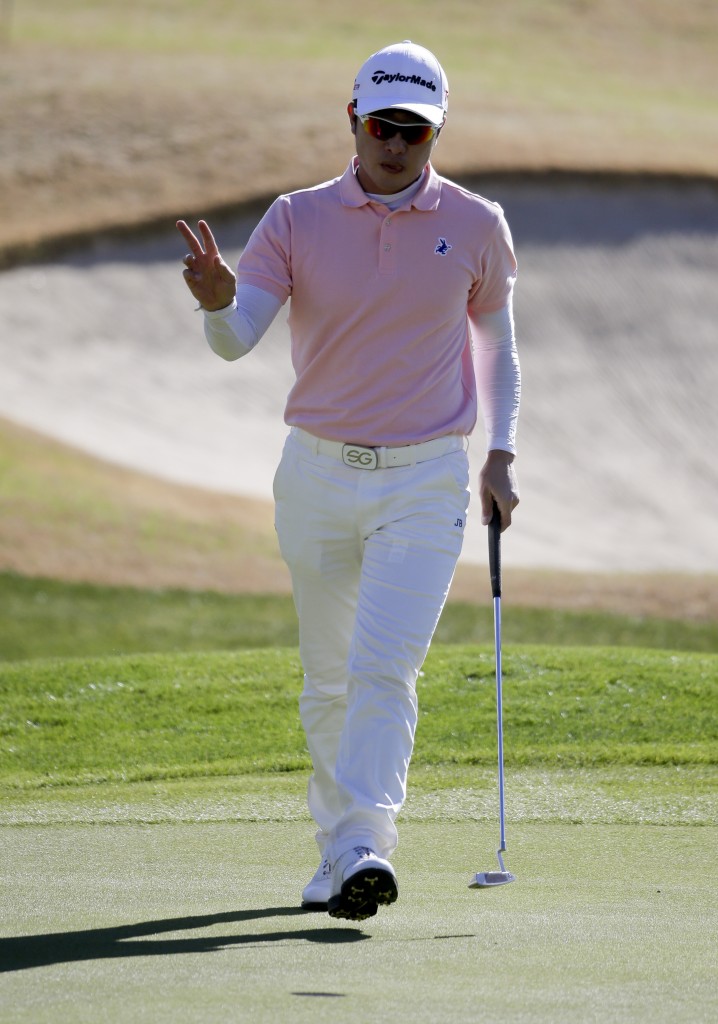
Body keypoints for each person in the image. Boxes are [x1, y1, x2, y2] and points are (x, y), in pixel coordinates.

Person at [177, 40, 520, 922]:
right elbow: (237, 338)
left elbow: (496, 344)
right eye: (382, 125)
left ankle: (368, 842)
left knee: (383, 668)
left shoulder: (477, 223)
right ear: (353, 121)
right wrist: (218, 299)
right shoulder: (294, 218)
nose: (396, 145)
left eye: (416, 130)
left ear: (437, 132)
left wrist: (502, 452)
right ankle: (338, 854)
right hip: (318, 473)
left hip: (426, 479)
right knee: (328, 676)